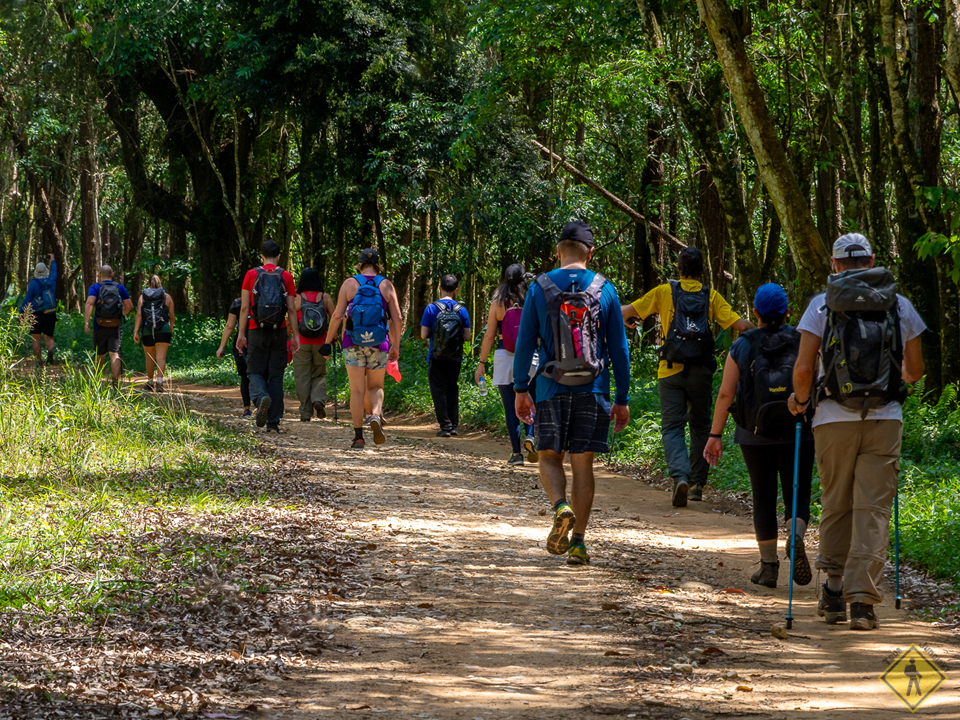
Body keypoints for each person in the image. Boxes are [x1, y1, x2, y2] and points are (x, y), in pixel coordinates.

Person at [790, 233, 925, 631]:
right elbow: (915, 370)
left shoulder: (821, 304)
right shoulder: (899, 305)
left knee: (837, 502)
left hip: (833, 416)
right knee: (873, 510)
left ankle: (832, 591)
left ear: (834, 265)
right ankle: (863, 603)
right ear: (872, 261)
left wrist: (800, 400)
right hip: (885, 419)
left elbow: (802, 368)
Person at [514, 220, 631, 566]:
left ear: (557, 251)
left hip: (551, 386)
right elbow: (619, 349)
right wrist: (621, 398)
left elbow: (524, 343)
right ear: (590, 253)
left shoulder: (540, 286)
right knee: (583, 465)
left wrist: (522, 388)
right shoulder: (604, 288)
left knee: (550, 456)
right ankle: (578, 542)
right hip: (593, 389)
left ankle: (559, 506)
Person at [622, 246, 754, 507]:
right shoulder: (711, 296)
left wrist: (624, 316)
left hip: (670, 370)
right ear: (701, 271)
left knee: (672, 426)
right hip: (702, 370)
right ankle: (696, 485)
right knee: (700, 425)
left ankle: (680, 477)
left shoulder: (664, 291)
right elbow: (742, 326)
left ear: (678, 269)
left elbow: (626, 311)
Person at [703, 283, 814, 588]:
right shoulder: (801, 340)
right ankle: (796, 537)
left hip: (754, 433)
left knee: (763, 497)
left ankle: (768, 568)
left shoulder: (743, 344)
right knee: (799, 492)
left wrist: (715, 434)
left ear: (755, 313)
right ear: (788, 311)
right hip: (798, 430)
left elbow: (726, 394)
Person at [321, 248, 401, 449]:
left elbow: (337, 316)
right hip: (379, 343)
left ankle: (358, 437)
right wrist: (395, 345)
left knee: (357, 390)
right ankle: (375, 414)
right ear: (377, 264)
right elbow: (397, 318)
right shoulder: (386, 285)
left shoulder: (349, 284)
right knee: (376, 387)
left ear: (360, 264)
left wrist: (327, 343)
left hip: (352, 342)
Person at [475, 263, 539, 464]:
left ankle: (516, 453)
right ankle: (531, 435)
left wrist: (482, 363)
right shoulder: (532, 301)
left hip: (504, 356)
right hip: (530, 356)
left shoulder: (497, 304)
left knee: (511, 407)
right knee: (531, 400)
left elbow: (489, 336)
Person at [236, 240, 300, 432]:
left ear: (261, 256)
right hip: (279, 331)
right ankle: (273, 422)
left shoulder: (251, 274)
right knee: (276, 375)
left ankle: (260, 397)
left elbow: (245, 307)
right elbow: (290, 308)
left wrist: (241, 334)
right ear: (279, 256)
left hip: (256, 330)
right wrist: (295, 336)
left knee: (254, 371)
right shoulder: (286, 276)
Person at [421, 274, 472, 437]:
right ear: (456, 290)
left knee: (438, 389)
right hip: (455, 357)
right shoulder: (461, 310)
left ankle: (445, 426)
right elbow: (467, 336)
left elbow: (423, 334)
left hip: (436, 356)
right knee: (452, 388)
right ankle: (454, 425)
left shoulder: (431, 308)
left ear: (439, 287)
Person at [293, 268, 336, 421]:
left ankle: (305, 413)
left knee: (302, 377)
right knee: (319, 374)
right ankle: (318, 399)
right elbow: (335, 318)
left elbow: (289, 321)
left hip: (301, 343)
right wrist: (333, 338)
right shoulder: (325, 298)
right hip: (321, 342)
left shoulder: (297, 299)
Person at [84, 265, 134, 387]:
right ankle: (115, 381)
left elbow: (90, 303)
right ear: (112, 274)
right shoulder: (120, 288)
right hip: (115, 326)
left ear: (100, 275)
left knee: (100, 354)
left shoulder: (95, 287)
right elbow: (129, 306)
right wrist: (119, 314)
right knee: (114, 353)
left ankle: (97, 380)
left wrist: (87, 322)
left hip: (99, 325)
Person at [133, 275, 175, 392]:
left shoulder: (143, 297)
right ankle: (160, 382)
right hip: (163, 330)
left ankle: (150, 381)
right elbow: (172, 316)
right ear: (160, 283)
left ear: (149, 284)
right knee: (161, 357)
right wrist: (170, 329)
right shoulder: (167, 297)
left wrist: (136, 331)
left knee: (149, 358)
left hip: (147, 330)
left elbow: (139, 315)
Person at [18, 253, 58, 367]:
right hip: (50, 313)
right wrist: (53, 261)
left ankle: (40, 361)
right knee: (48, 336)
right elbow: (55, 272)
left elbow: (27, 299)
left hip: (36, 313)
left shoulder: (33, 283)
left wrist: (21, 312)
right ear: (45, 270)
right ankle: (50, 352)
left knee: (36, 338)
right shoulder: (51, 280)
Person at [217, 297, 252, 417]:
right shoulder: (264, 300)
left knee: (244, 377)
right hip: (261, 342)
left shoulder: (238, 302)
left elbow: (229, 326)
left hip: (240, 343)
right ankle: (264, 406)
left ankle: (247, 409)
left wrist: (222, 347)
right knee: (262, 374)